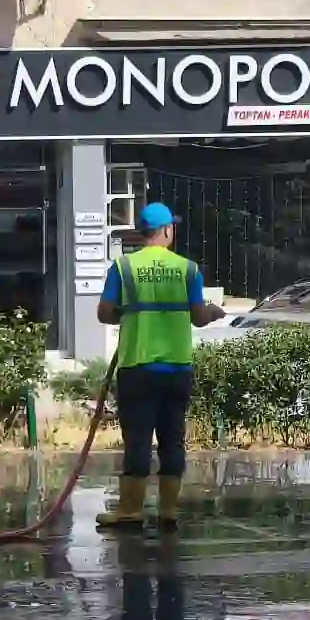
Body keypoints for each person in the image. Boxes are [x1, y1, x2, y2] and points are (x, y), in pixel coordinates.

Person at [95, 201, 219, 528]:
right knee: (172, 439)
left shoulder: (123, 268)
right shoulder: (188, 269)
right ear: (166, 230)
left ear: (141, 233)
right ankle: (168, 511)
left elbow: (104, 313)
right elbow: (198, 318)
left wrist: (128, 313)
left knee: (137, 440)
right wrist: (214, 312)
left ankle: (131, 511)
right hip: (177, 367)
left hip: (137, 365)